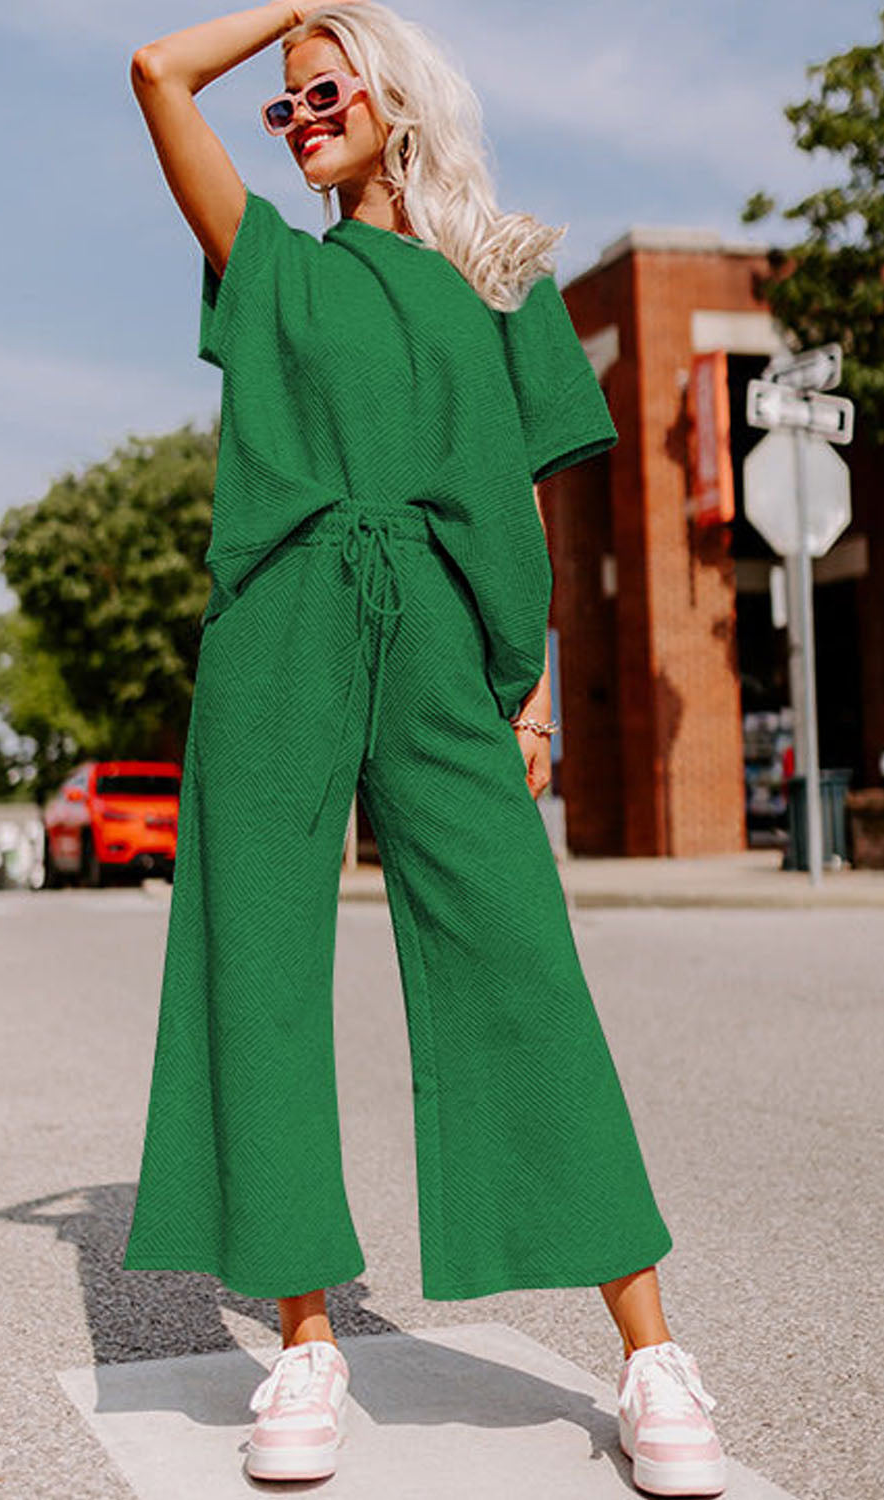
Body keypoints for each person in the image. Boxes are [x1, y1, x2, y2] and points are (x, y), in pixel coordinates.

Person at [122, 3, 728, 1494]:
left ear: (391, 101)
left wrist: (527, 693)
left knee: (520, 969)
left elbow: (521, 499)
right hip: (278, 636)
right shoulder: (262, 262)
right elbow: (152, 71)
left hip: (449, 652)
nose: (296, 118)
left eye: (320, 92)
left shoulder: (503, 279)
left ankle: (651, 1354)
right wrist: (291, 11)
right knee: (254, 971)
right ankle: (306, 1342)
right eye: (280, 107)